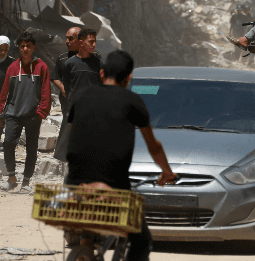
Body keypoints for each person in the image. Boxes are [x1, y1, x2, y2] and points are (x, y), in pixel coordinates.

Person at [65, 50, 176, 261]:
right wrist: (167, 172)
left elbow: (72, 134)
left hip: (75, 184)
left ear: (101, 73)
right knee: (142, 241)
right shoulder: (132, 101)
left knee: (87, 230)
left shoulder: (81, 96)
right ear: (129, 78)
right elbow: (153, 146)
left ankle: (85, 246)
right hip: (114, 187)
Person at [0, 31, 51, 192]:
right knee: (7, 144)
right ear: (19, 48)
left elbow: (46, 92)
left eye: (28, 46)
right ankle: (11, 177)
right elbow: (5, 92)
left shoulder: (42, 67)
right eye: (22, 46)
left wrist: (41, 113)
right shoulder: (13, 67)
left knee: (31, 149)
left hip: (33, 115)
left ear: (33, 47)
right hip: (13, 113)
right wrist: (0, 112)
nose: (25, 49)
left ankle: (26, 182)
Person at [51, 27, 81, 162]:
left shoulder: (92, 57)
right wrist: (63, 89)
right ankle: (60, 156)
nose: (67, 41)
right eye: (66, 38)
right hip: (67, 100)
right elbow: (55, 76)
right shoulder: (62, 58)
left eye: (70, 38)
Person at [60, 28, 103, 98]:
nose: (94, 45)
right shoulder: (70, 64)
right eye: (91, 42)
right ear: (81, 42)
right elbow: (67, 88)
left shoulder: (99, 63)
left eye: (95, 42)